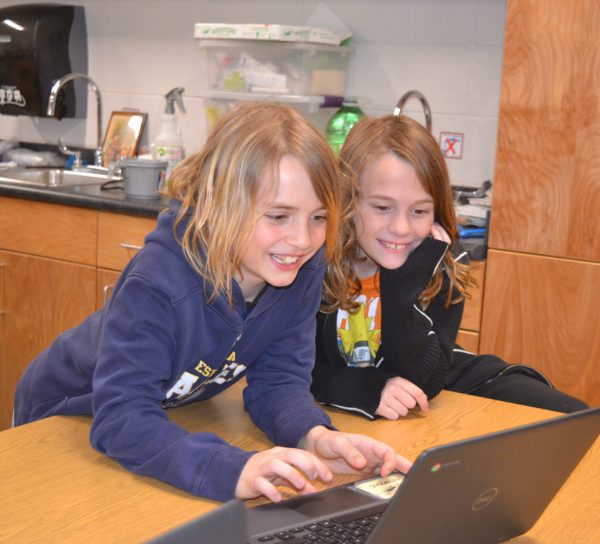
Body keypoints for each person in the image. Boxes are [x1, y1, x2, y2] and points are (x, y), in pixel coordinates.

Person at [13, 103, 412, 502]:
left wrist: (313, 436)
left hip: (153, 421)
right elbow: (122, 419)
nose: (303, 240)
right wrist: (227, 467)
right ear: (220, 204)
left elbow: (279, 384)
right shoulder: (158, 282)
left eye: (318, 218)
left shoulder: (301, 270)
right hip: (65, 417)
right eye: (278, 216)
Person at [311, 114, 588, 420]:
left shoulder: (441, 259)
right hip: (348, 388)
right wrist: (356, 388)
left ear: (437, 210)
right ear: (348, 202)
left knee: (575, 418)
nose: (401, 228)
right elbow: (281, 368)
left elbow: (424, 380)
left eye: (419, 211)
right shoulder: (314, 260)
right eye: (382, 207)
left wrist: (401, 293)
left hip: (440, 374)